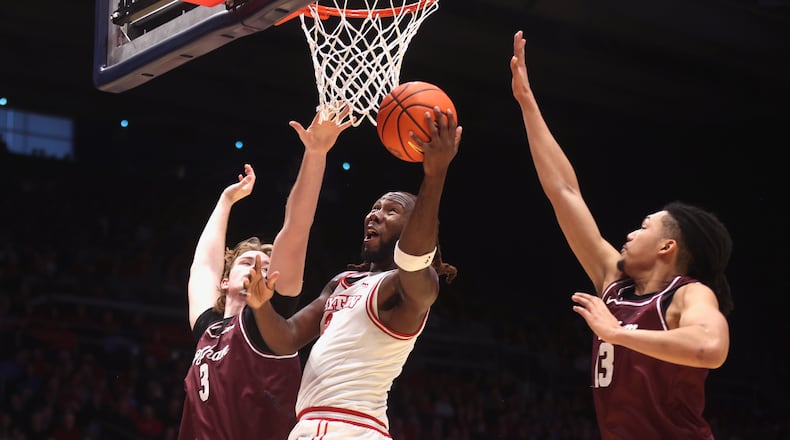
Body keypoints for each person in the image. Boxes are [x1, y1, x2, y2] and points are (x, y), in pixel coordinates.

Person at [510, 30, 734, 439]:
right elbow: (564, 192)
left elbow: (711, 349)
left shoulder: (688, 294)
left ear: (668, 247)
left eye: (644, 226)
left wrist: (616, 334)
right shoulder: (614, 284)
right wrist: (527, 103)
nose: (630, 234)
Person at [244, 105, 461, 439]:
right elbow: (286, 338)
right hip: (308, 427)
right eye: (375, 208)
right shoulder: (342, 283)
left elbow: (414, 258)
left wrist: (435, 175)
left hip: (354, 428)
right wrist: (260, 306)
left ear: (416, 225)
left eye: (392, 211)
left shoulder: (411, 288)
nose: (375, 215)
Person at [177, 106, 354, 440]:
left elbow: (296, 228)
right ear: (225, 282)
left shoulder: (268, 328)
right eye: (248, 262)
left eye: (264, 265)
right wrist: (225, 202)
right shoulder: (209, 330)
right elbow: (202, 268)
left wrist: (315, 155)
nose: (258, 269)